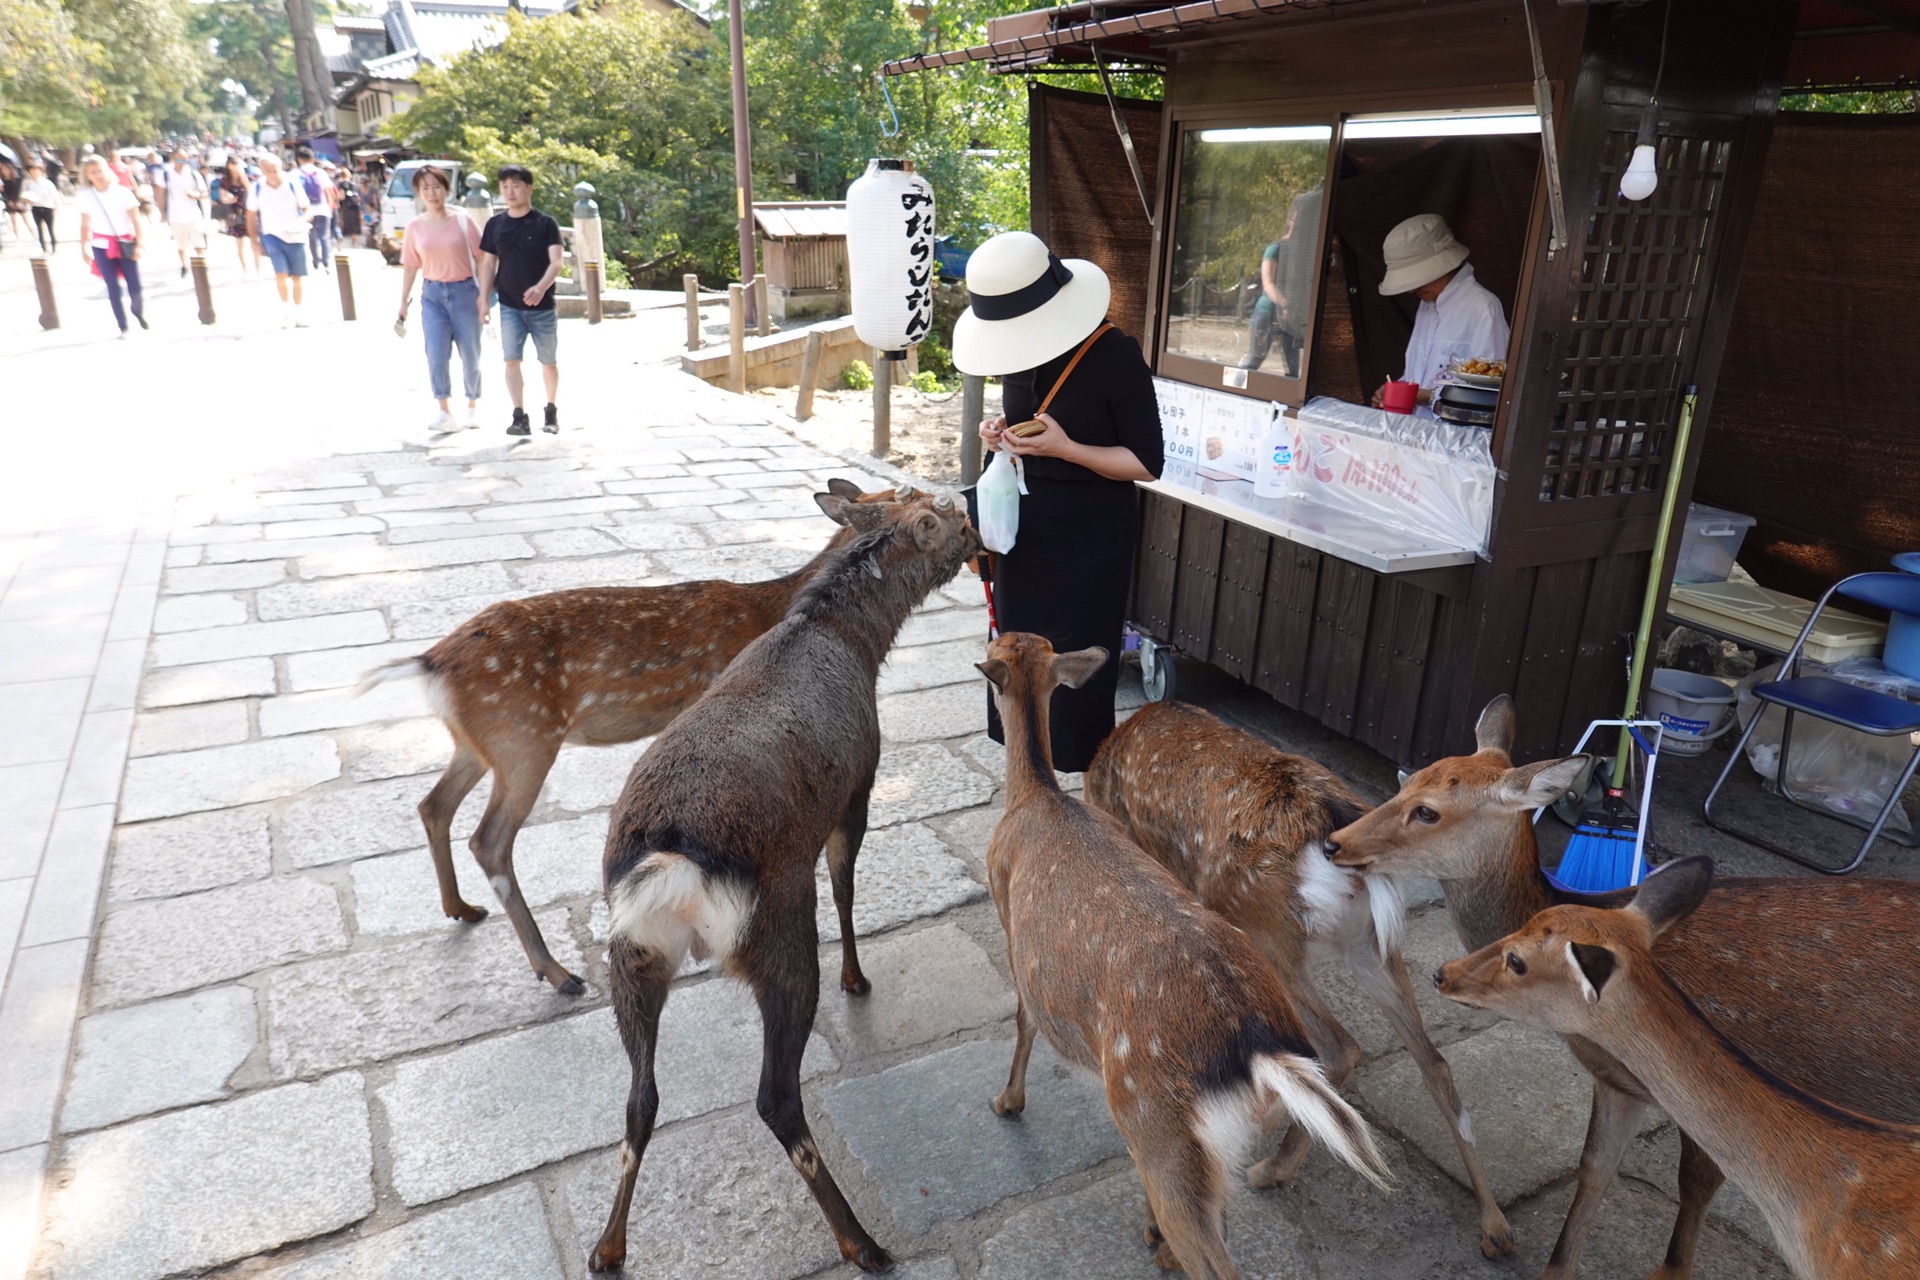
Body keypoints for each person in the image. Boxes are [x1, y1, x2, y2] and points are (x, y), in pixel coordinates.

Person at [956, 231, 1164, 772]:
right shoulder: (1015, 348)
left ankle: (1082, 771)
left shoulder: (1115, 354)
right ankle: (1026, 762)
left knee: (1075, 661)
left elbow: (1147, 463)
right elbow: (1029, 418)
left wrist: (1065, 448)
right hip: (1024, 527)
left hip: (1090, 535)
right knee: (1016, 650)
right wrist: (1000, 435)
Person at [1370, 213, 1510, 408]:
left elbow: (1489, 392)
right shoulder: (1426, 306)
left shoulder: (1482, 308)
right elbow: (1418, 375)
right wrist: (1394, 389)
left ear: (1444, 265)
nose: (1411, 289)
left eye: (1416, 279)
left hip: (1458, 435)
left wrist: (1426, 397)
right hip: (1416, 431)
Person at [395, 164, 484, 433]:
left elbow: (484, 258)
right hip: (432, 294)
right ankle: (445, 410)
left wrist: (486, 293)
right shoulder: (415, 227)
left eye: (437, 187)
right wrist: (403, 301)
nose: (432, 193)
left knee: (470, 353)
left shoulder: (463, 221)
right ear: (418, 194)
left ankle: (473, 405)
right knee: (435, 353)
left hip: (465, 291)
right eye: (425, 188)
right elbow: (411, 265)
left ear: (447, 189)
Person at [477, 164, 564, 436]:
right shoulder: (495, 225)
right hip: (509, 305)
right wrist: (483, 299)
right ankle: (518, 415)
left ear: (529, 188)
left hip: (543, 307)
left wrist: (540, 287)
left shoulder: (546, 224)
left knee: (548, 361)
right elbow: (488, 264)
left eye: (515, 185)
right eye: (504, 186)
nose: (509, 191)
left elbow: (557, 262)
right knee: (511, 360)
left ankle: (550, 410)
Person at [1241, 184, 1322, 376]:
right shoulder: (1275, 248)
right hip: (1268, 312)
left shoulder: (1306, 251)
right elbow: (1268, 284)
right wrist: (1285, 304)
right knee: (1255, 357)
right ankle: (1233, 390)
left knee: (1293, 367)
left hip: (1291, 318)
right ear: (1290, 218)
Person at [76, 155, 148, 336]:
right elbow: (85, 224)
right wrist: (84, 247)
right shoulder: (85, 195)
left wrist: (140, 243)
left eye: (100, 170)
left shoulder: (122, 192)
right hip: (101, 244)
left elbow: (136, 220)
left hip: (125, 242)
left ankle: (138, 311)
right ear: (87, 175)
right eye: (93, 172)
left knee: (134, 284)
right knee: (112, 287)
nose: (98, 175)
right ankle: (122, 325)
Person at [247, 153, 315, 327]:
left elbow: (308, 210)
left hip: (296, 235)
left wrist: (302, 221)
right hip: (272, 235)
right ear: (263, 170)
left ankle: (299, 312)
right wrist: (253, 237)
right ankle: (287, 312)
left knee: (297, 277)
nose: (272, 173)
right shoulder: (257, 187)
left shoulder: (292, 183)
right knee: (281, 274)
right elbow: (251, 213)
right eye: (268, 170)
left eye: (275, 169)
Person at [160, 148, 208, 278]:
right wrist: (162, 213)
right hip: (175, 217)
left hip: (193, 215)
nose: (182, 163)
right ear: (173, 159)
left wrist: (196, 195)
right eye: (179, 160)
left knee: (199, 244)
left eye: (185, 160)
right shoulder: (167, 175)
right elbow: (161, 195)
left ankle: (202, 271)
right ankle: (185, 266)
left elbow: (204, 192)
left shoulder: (193, 174)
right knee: (181, 246)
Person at [293, 146, 335, 272]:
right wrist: (330, 208)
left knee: (311, 237)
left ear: (299, 159)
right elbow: (329, 192)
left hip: (306, 212)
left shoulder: (295, 174)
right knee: (324, 236)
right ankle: (326, 262)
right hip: (323, 209)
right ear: (312, 159)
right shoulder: (321, 172)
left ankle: (315, 262)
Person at [212, 156, 256, 275]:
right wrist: (229, 200)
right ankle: (245, 268)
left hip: (247, 212)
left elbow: (252, 193)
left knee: (254, 240)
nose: (238, 166)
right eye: (235, 163)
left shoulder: (244, 178)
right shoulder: (225, 181)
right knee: (239, 242)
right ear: (229, 166)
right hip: (232, 214)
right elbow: (222, 198)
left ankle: (256, 267)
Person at [22, 161, 59, 253]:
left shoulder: (47, 183)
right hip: (35, 208)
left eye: (36, 170)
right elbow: (24, 195)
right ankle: (44, 247)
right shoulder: (28, 183)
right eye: (32, 170)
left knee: (50, 228)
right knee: (39, 228)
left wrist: (56, 207)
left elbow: (55, 195)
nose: (34, 172)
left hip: (47, 207)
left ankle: (54, 246)